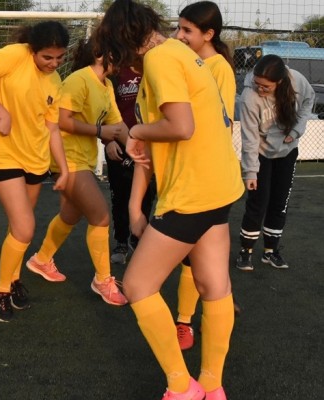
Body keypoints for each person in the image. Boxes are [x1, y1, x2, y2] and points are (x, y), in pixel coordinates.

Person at [94, 0, 244, 399]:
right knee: (215, 285)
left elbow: (181, 126)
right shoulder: (179, 54)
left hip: (193, 193)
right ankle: (212, 386)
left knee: (138, 285)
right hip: (216, 187)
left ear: (124, 40)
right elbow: (169, 140)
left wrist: (137, 131)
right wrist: (135, 202)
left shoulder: (161, 58)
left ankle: (182, 387)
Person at [0, 21, 69, 323]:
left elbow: (52, 130)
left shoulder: (56, 81)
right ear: (33, 50)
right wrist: (2, 113)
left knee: (19, 229)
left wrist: (62, 168)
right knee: (26, 227)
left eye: (60, 57)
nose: (53, 63)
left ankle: (12, 279)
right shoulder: (14, 54)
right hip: (5, 156)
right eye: (47, 57)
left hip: (36, 161)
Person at [25, 37, 128, 306]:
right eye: (118, 52)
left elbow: (117, 125)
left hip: (83, 158)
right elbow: (63, 121)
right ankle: (103, 280)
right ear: (100, 53)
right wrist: (101, 132)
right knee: (101, 216)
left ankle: (41, 259)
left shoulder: (106, 86)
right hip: (67, 159)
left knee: (69, 216)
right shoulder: (79, 80)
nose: (123, 57)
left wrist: (135, 150)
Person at [173, 0, 238, 351]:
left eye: (187, 30)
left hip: (204, 176)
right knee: (193, 255)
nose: (178, 36)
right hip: (183, 173)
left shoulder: (219, 69)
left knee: (193, 254)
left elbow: (217, 126)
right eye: (178, 28)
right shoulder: (189, 63)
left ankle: (186, 321)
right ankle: (212, 303)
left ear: (209, 34)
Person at [236, 54, 315, 271]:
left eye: (265, 87)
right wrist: (250, 172)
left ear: (279, 82)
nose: (260, 89)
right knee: (258, 202)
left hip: (287, 152)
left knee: (279, 202)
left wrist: (298, 129)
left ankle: (271, 251)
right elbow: (249, 138)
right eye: (257, 84)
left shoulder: (297, 80)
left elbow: (309, 101)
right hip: (262, 154)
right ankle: (246, 251)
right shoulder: (249, 97)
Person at [107, 66, 156, 264]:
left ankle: (138, 240)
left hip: (148, 145)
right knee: (119, 197)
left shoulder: (154, 71)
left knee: (146, 196)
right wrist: (108, 141)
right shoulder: (117, 74)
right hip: (118, 143)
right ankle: (120, 241)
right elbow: (107, 109)